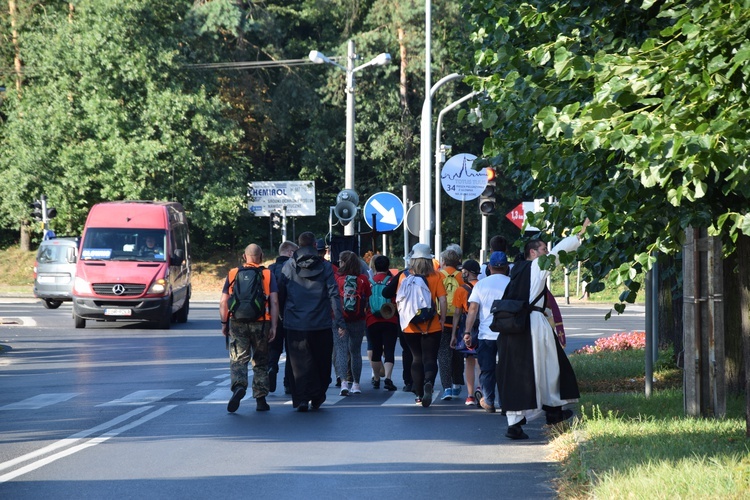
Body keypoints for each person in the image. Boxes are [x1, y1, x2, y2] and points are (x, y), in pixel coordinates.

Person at [498, 219, 590, 439]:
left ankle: (521, 421)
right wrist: (579, 235)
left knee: (518, 374)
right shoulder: (536, 266)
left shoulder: (517, 270)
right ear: (533, 252)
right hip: (533, 325)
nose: (546, 252)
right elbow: (557, 253)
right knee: (548, 367)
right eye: (543, 249)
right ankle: (552, 410)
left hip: (514, 328)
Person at [277, 232, 345, 412]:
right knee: (321, 360)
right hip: (320, 322)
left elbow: (281, 294)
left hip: (295, 322)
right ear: (315, 245)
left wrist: (281, 317)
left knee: (298, 362)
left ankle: (301, 398)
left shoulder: (288, 266)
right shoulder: (326, 267)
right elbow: (333, 294)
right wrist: (339, 321)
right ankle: (317, 395)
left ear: (298, 246)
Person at [219, 243, 278, 413]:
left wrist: (224, 323)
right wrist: (274, 325)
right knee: (260, 361)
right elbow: (274, 301)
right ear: (261, 256)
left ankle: (239, 386)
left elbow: (224, 301)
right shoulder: (267, 274)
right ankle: (260, 399)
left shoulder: (233, 273)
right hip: (261, 324)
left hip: (237, 322)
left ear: (244, 257)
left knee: (238, 359)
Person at [395, 243, 447, 407]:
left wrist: (403, 320)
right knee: (430, 357)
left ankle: (418, 394)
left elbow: (400, 301)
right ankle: (429, 382)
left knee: (416, 358)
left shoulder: (405, 277)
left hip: (410, 326)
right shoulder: (437, 276)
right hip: (432, 324)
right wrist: (442, 319)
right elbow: (443, 300)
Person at [463, 251, 511, 413]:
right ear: (506, 267)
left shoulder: (481, 285)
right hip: (508, 334)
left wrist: (467, 332)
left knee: (487, 369)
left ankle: (489, 401)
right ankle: (506, 404)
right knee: (506, 369)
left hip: (486, 334)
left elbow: (473, 310)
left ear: (489, 267)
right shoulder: (512, 283)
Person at [334, 250, 371, 395]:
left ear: (343, 262)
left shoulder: (337, 278)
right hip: (358, 319)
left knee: (341, 350)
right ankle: (356, 384)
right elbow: (367, 298)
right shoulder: (363, 279)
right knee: (355, 352)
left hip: (339, 319)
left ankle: (344, 382)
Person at [267, 240, 299, 394]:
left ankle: (272, 367)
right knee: (291, 350)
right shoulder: (294, 269)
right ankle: (288, 383)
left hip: (273, 314)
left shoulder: (270, 269)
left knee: (274, 346)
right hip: (291, 314)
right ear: (290, 253)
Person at [365, 255, 399, 391]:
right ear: (387, 266)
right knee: (389, 350)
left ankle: (377, 378)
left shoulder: (369, 281)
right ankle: (389, 378)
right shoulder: (392, 281)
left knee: (376, 349)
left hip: (372, 319)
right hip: (390, 319)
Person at [450, 259, 481, 405]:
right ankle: (481, 388)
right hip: (483, 325)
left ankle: (469, 395)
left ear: (467, 272)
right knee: (481, 359)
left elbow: (457, 313)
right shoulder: (482, 286)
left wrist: (454, 334)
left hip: (466, 326)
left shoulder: (461, 290)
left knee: (469, 360)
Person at [437, 246, 466, 401]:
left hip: (440, 319)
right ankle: (456, 384)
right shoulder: (462, 277)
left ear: (443, 261)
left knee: (443, 353)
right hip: (458, 318)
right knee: (457, 352)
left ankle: (446, 387)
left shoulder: (437, 276)